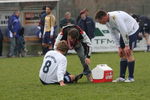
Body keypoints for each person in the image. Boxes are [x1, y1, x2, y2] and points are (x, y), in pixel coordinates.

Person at [95, 10, 139, 82]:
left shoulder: (116, 17)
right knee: (122, 54)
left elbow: (124, 30)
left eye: (100, 21)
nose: (100, 23)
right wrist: (119, 47)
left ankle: (131, 77)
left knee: (128, 53)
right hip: (124, 32)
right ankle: (122, 77)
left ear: (104, 16)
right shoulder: (106, 22)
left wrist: (127, 45)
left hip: (132, 30)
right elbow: (113, 33)